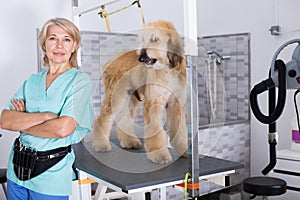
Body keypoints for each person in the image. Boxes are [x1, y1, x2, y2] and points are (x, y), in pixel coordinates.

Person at [0, 18, 94, 199]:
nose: (59, 45)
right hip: (16, 170)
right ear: (44, 44)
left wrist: (23, 120)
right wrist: (45, 116)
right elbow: (5, 120)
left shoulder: (79, 82)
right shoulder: (32, 81)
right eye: (53, 38)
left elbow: (62, 129)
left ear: (74, 46)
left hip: (50, 175)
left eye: (66, 39)